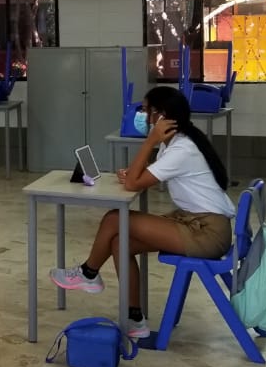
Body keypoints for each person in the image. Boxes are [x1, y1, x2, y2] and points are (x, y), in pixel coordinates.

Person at [49, 86, 235, 339]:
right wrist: (134, 172)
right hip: (198, 223)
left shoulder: (181, 149)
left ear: (162, 116)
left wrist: (148, 143)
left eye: (147, 112)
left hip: (207, 233)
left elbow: (134, 185)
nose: (144, 118)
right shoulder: (177, 143)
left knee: (115, 219)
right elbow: (139, 178)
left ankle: (88, 273)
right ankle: (134, 318)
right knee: (119, 242)